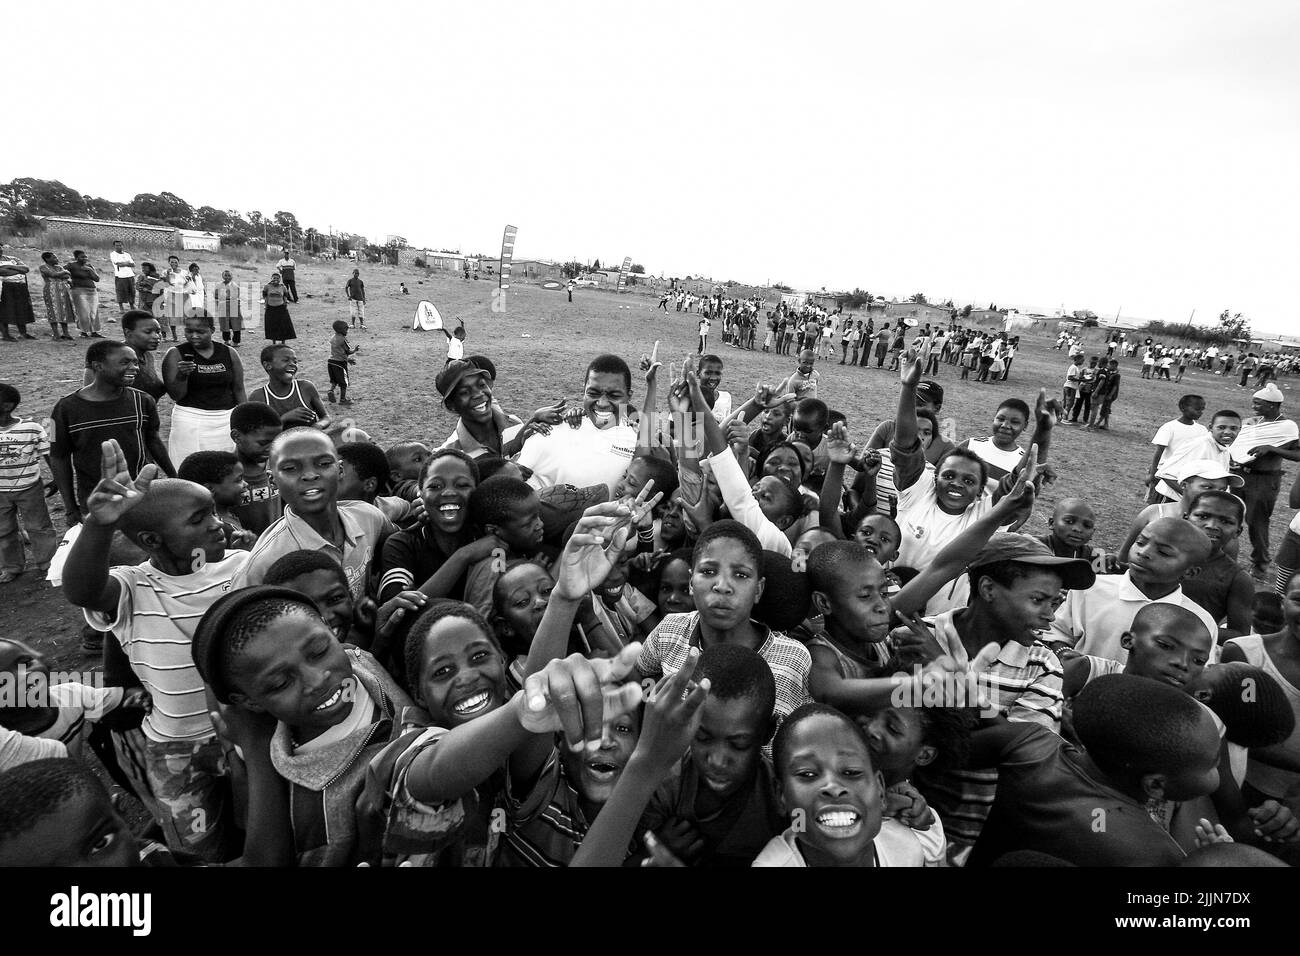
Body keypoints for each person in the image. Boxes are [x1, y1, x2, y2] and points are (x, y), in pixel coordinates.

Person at [62, 442, 245, 861]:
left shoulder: (240, 566)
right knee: (198, 845)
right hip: (177, 751)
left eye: (214, 512)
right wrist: (98, 524)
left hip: (246, 735)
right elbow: (81, 590)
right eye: (199, 520)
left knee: (254, 823)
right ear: (151, 539)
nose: (217, 525)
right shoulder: (131, 587)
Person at [966, 675, 1224, 866]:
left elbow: (935, 755)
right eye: (1213, 764)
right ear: (1155, 785)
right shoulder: (1157, 854)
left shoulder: (1028, 745)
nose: (1218, 771)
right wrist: (1220, 859)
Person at [230, 428, 396, 601]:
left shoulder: (368, 517)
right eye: (290, 468)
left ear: (340, 470)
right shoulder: (263, 564)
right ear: (273, 481)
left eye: (323, 464)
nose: (309, 475)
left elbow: (400, 547)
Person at [1049, 517, 1219, 664]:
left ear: (1190, 572)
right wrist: (1063, 653)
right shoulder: (1090, 588)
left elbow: (1198, 674)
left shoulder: (1200, 621)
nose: (1143, 553)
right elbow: (1055, 634)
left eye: (1164, 552)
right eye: (1140, 542)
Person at [51, 341, 174, 523]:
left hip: (142, 492)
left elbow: (153, 440)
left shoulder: (143, 401)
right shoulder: (64, 408)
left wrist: (175, 477)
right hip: (98, 497)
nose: (134, 368)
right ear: (98, 366)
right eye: (125, 363)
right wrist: (70, 508)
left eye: (136, 362)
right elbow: (58, 457)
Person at [517, 355, 638, 495]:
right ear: (584, 390)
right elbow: (512, 491)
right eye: (593, 393)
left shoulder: (637, 441)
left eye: (614, 395)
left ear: (629, 397)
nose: (602, 403)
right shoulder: (549, 432)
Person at [1229, 383, 1300, 579]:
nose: (1254, 406)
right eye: (1254, 402)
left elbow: (1298, 454)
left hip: (1263, 481)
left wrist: (1272, 448)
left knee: (1256, 522)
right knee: (1229, 515)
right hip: (1239, 474)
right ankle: (1224, 556)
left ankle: (1260, 564)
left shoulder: (1286, 427)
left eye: (1258, 403)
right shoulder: (1254, 421)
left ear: (1273, 405)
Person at [162, 313, 246, 465]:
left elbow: (239, 389)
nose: (194, 336)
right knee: (190, 469)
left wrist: (245, 418)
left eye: (200, 332)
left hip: (226, 420)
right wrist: (182, 375)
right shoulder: (175, 354)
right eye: (189, 331)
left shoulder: (229, 353)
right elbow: (176, 395)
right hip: (190, 420)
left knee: (226, 469)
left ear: (212, 330)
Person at [0, 384, 58, 583]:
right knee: (4, 530)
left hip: (29, 487)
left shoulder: (32, 428)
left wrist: (57, 477)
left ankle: (47, 562)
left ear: (7, 406)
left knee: (39, 526)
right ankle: (12, 566)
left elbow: (48, 454)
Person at [85, 309, 167, 402]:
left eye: (158, 331)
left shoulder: (148, 356)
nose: (156, 336)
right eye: (148, 332)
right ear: (128, 333)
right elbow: (92, 394)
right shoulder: (109, 356)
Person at [228, 401, 283, 536]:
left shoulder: (278, 465)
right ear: (237, 437)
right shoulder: (225, 475)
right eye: (263, 443)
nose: (271, 448)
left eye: (276, 441)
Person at [1147, 394, 1210, 503]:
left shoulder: (1202, 430)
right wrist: (1153, 474)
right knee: (1159, 505)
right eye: (1196, 409)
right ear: (1183, 408)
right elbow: (1159, 452)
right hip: (1166, 475)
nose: (1200, 412)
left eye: (1202, 409)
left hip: (1187, 476)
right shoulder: (1169, 427)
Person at [248, 344, 329, 428]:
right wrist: (284, 419)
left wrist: (318, 425)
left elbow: (325, 417)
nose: (292, 364)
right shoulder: (258, 397)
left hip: (309, 439)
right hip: (278, 441)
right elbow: (256, 433)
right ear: (268, 365)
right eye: (285, 360)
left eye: (295, 361)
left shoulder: (306, 387)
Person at [64, 249, 102, 338]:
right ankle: (83, 332)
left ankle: (94, 331)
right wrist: (68, 281)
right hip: (79, 290)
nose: (85, 258)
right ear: (76, 258)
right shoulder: (71, 265)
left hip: (92, 290)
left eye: (85, 256)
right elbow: (62, 271)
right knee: (82, 311)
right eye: (82, 257)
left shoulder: (89, 266)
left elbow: (97, 279)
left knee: (93, 311)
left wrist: (89, 269)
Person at [37, 252, 74, 340]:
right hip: (51, 290)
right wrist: (64, 271)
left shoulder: (59, 267)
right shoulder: (43, 267)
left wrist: (62, 274)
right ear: (47, 259)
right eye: (54, 257)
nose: (57, 259)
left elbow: (67, 276)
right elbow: (53, 275)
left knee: (63, 311)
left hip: (62, 289)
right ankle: (56, 334)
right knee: (53, 310)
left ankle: (66, 333)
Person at [327, 320, 360, 405]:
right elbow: (347, 352)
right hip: (339, 363)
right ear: (341, 330)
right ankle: (343, 400)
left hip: (331, 362)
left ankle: (331, 390)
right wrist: (355, 350)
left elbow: (338, 352)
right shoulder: (342, 339)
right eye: (346, 329)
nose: (347, 331)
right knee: (343, 383)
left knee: (334, 379)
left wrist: (348, 360)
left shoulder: (333, 337)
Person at [261, 271, 296, 344]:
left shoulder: (283, 287)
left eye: (277, 278)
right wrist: (266, 304)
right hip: (270, 309)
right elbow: (264, 296)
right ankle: (274, 342)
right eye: (274, 278)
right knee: (272, 325)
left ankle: (283, 342)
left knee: (283, 326)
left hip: (281, 309)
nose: (275, 279)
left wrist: (285, 306)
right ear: (271, 279)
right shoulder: (267, 286)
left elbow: (285, 297)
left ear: (280, 279)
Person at [212, 269, 244, 346]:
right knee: (224, 324)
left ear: (232, 276)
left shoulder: (235, 285)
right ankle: (227, 340)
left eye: (229, 275)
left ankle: (236, 341)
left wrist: (226, 297)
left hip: (233, 306)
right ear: (222, 276)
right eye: (225, 275)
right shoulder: (218, 285)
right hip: (223, 307)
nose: (227, 277)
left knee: (236, 324)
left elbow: (236, 296)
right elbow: (215, 295)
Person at [108, 241, 136, 314]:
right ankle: (121, 307)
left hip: (130, 275)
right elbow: (118, 264)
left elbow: (133, 264)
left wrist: (124, 263)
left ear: (123, 246)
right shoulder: (113, 254)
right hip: (120, 275)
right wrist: (127, 263)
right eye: (117, 246)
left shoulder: (127, 254)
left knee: (132, 291)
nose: (118, 247)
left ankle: (132, 305)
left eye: (120, 245)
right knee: (120, 291)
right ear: (114, 246)